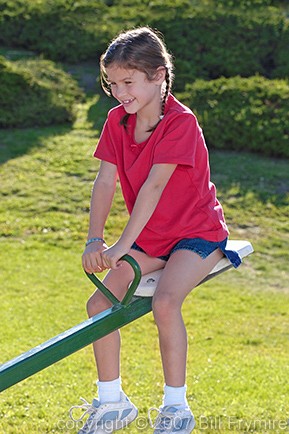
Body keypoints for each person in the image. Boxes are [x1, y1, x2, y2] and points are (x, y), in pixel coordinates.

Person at [69, 26, 241, 434]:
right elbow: (105, 181)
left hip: (196, 234)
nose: (118, 91)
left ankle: (176, 410)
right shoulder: (116, 121)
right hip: (153, 238)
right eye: (112, 83)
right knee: (99, 306)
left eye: (127, 82)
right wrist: (95, 240)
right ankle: (112, 403)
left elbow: (154, 186)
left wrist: (121, 245)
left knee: (164, 303)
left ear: (159, 75)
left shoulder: (180, 123)